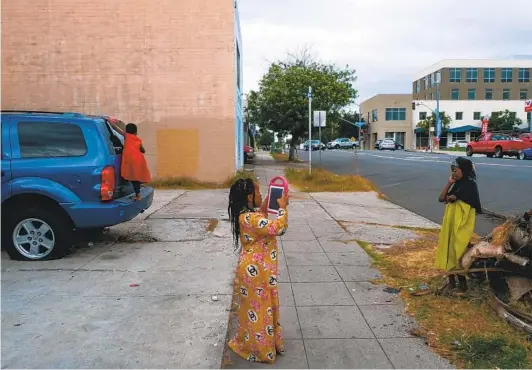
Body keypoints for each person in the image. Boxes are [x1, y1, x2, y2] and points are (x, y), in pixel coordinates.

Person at [227, 178, 289, 363]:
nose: (261, 194)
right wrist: (283, 208)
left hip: (251, 270)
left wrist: (264, 206)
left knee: (253, 310)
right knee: (260, 310)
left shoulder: (247, 216)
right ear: (249, 196)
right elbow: (278, 227)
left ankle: (251, 343)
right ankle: (261, 351)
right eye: (258, 192)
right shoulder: (252, 219)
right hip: (256, 273)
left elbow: (260, 221)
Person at [436, 157, 482, 294]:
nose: (453, 173)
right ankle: (451, 282)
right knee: (449, 250)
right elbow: (441, 198)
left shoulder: (470, 186)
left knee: (459, 252)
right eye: (452, 171)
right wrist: (449, 183)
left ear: (464, 170)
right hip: (451, 225)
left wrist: (455, 198)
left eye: (455, 170)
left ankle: (462, 286)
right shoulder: (457, 184)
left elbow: (464, 203)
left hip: (462, 226)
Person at [121, 123, 151, 201]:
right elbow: (143, 150)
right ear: (135, 132)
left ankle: (138, 196)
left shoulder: (127, 136)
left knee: (133, 178)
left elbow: (117, 130)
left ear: (126, 131)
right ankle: (138, 193)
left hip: (131, 160)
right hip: (139, 159)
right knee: (136, 177)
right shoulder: (138, 139)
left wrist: (109, 122)